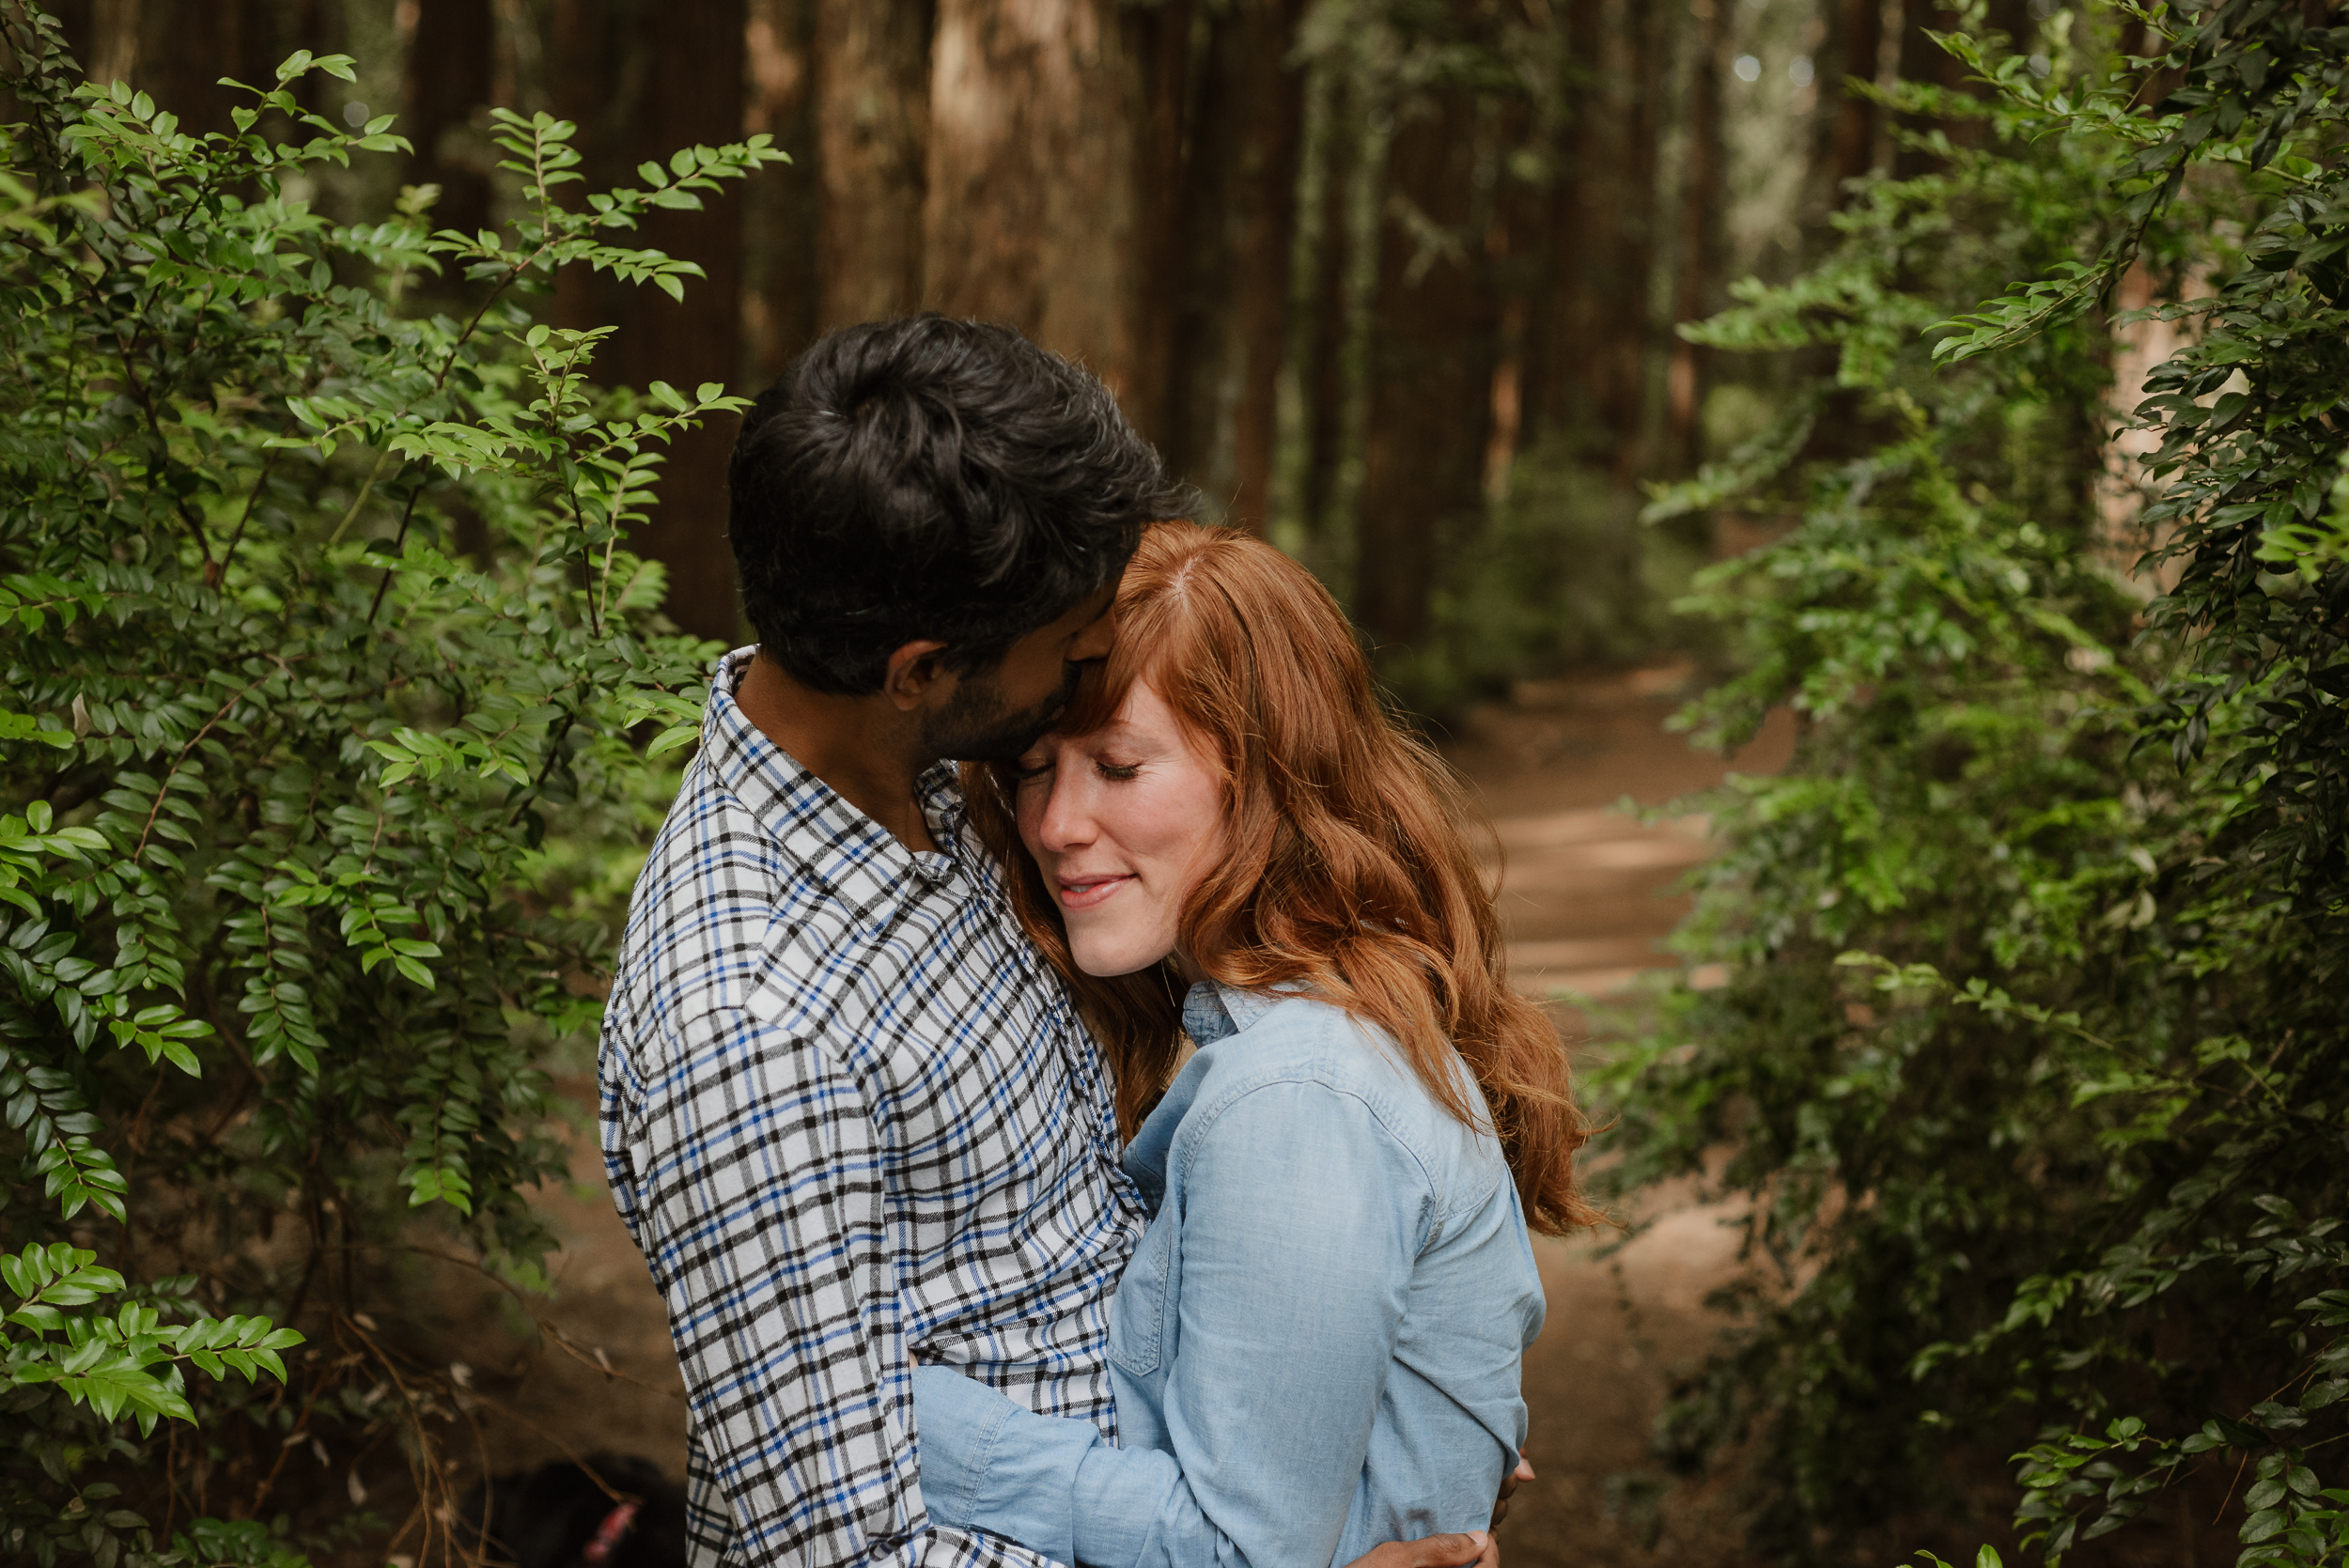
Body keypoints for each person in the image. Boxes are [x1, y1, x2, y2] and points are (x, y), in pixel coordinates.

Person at [599, 317, 1505, 1568]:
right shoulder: (753, 1025)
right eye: (1068, 647)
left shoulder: (924, 784)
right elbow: (852, 1555)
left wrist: (1362, 1383)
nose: (1089, 652)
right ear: (925, 669)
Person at [907, 522, 1599, 1568]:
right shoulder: (1290, 1037)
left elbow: (1239, 1551)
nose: (1055, 823)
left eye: (1120, 766)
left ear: (1266, 774)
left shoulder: (1298, 1094)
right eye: (1036, 770)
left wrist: (912, 1421)